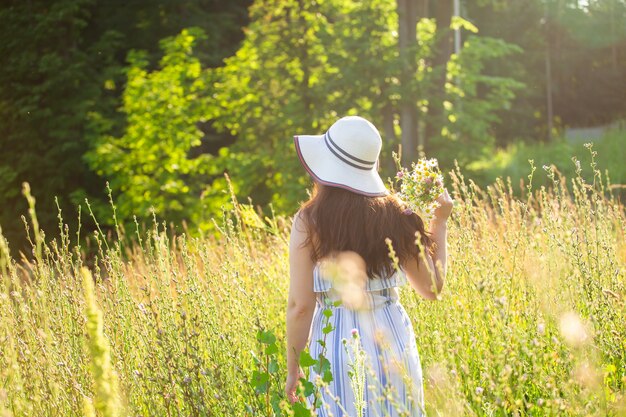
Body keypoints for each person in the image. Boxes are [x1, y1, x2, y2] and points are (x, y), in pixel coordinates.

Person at [285, 115, 453, 416]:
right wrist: (439, 222)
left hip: (334, 346)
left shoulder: (309, 221)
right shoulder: (398, 214)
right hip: (392, 344)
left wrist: (293, 368)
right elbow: (432, 288)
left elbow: (300, 306)